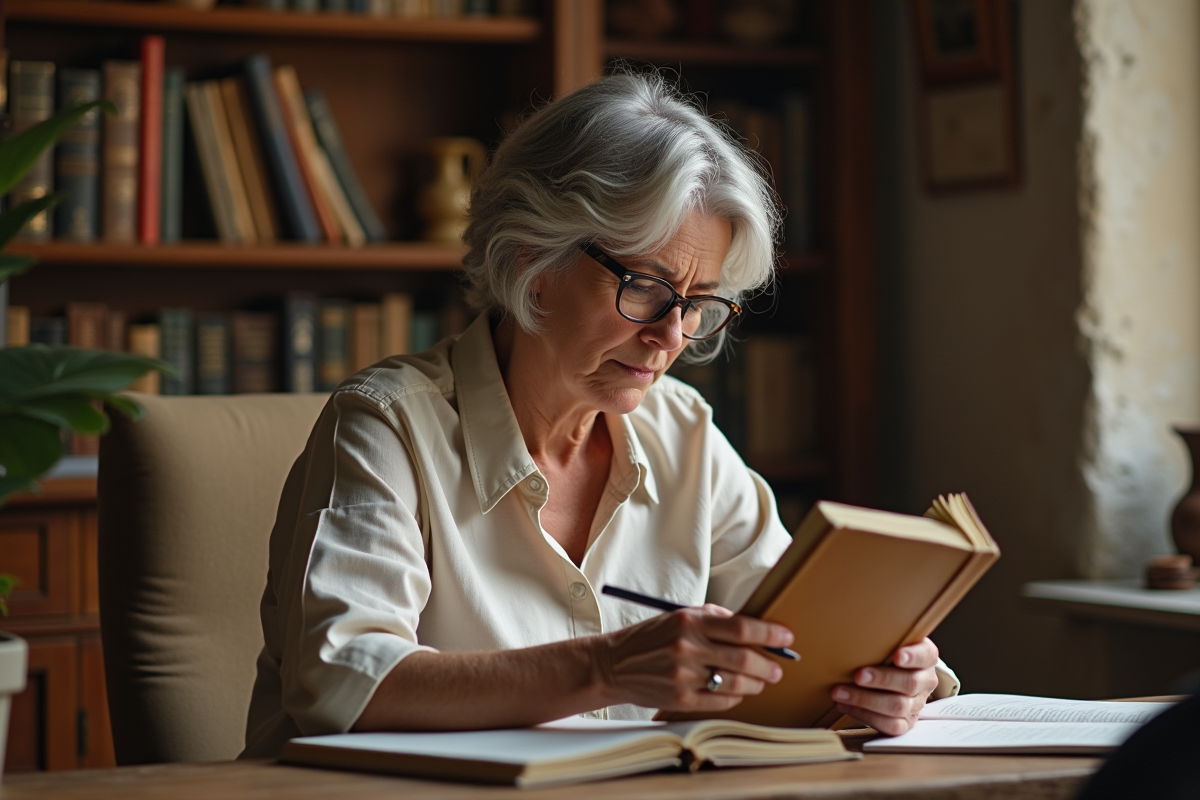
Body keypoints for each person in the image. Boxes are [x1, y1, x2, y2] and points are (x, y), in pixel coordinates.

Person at [241, 72, 957, 758]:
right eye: (645, 286)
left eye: (698, 303)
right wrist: (606, 667)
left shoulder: (684, 435)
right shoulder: (386, 426)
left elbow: (802, 630)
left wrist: (893, 678)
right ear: (533, 261)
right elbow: (343, 682)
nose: (671, 336)